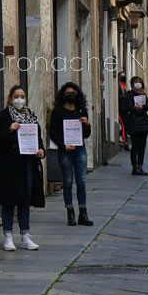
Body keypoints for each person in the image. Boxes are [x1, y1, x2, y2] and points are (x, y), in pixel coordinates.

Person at [0, 85, 46, 251]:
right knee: (9, 201)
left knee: (25, 200)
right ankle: (7, 235)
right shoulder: (1, 117)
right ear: (10, 99)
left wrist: (41, 152)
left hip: (27, 164)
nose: (19, 99)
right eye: (16, 96)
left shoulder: (31, 117)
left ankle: (25, 235)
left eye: (22, 96)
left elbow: (38, 139)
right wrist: (9, 130)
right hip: (8, 165)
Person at [48, 82, 94, 227]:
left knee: (81, 181)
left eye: (73, 93)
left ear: (77, 95)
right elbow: (53, 133)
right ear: (63, 95)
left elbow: (86, 134)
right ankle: (70, 212)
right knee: (67, 182)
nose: (70, 95)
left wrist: (87, 124)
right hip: (65, 151)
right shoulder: (58, 112)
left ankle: (83, 213)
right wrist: (63, 145)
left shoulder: (81, 111)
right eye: (68, 93)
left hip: (80, 149)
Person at [121, 75, 148, 175]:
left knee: (142, 146)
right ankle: (134, 167)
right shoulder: (129, 95)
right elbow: (128, 107)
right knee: (135, 146)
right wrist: (136, 108)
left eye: (139, 82)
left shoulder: (143, 94)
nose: (138, 83)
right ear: (132, 84)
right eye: (136, 82)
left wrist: (142, 106)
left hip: (143, 124)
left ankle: (140, 166)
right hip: (134, 123)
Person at [117, 71, 130, 151]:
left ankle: (119, 135)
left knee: (126, 126)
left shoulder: (125, 86)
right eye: (122, 76)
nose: (123, 77)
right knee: (124, 126)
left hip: (125, 109)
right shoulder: (118, 86)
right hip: (120, 109)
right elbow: (118, 97)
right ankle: (125, 143)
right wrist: (126, 96)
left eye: (124, 76)